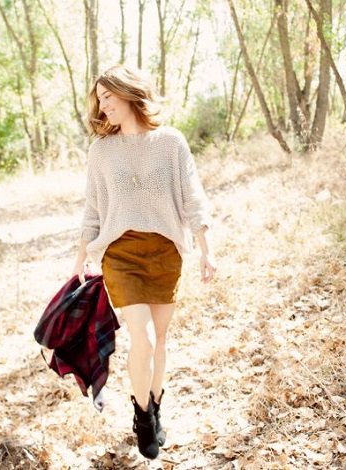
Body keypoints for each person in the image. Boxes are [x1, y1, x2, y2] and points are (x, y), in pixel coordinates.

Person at [71, 65, 216, 460]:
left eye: (108, 96)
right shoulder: (101, 150)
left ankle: (155, 405)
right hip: (120, 254)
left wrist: (206, 247)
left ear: (128, 92)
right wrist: (81, 257)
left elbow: (192, 196)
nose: (102, 104)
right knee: (144, 339)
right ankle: (142, 417)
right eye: (99, 98)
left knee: (161, 340)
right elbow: (92, 208)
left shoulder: (170, 142)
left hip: (165, 251)